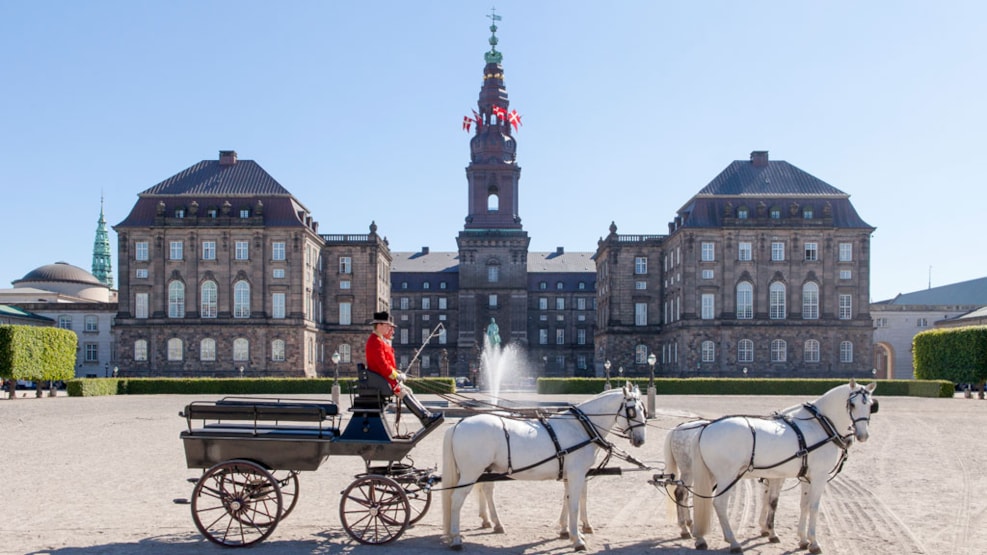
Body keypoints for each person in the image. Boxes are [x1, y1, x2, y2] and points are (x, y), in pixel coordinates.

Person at [365, 311, 443, 427]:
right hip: (382, 381)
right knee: (403, 392)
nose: (388, 328)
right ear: (379, 325)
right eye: (387, 325)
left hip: (383, 379)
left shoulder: (378, 340)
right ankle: (425, 417)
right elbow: (382, 365)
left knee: (408, 391)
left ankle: (425, 415)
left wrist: (397, 373)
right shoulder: (375, 342)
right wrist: (396, 376)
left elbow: (386, 364)